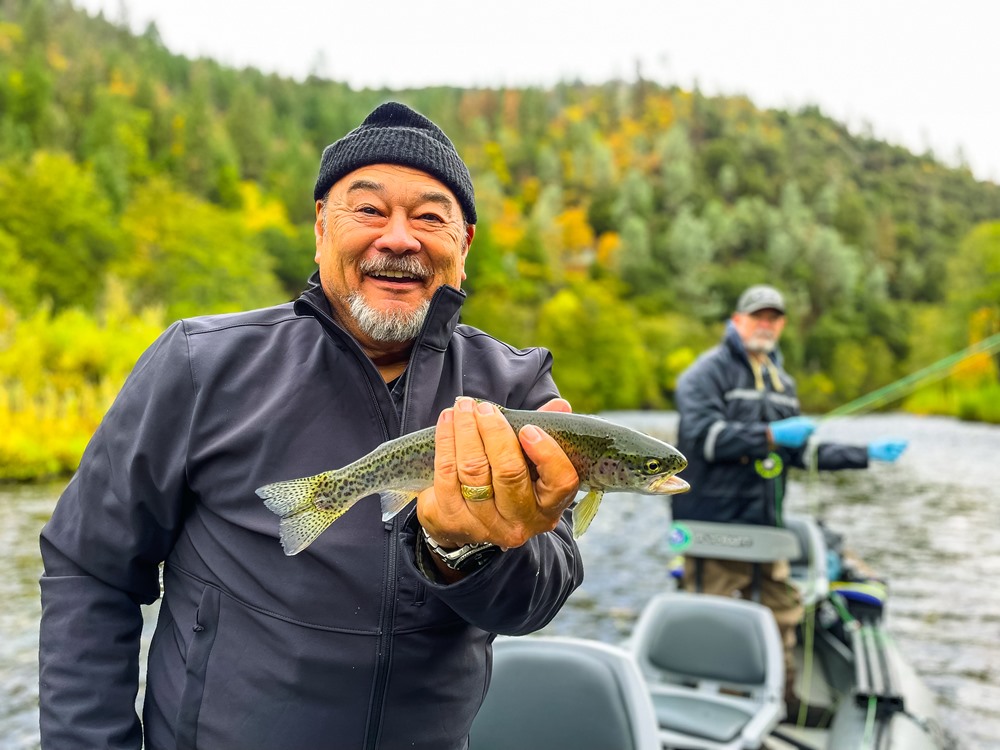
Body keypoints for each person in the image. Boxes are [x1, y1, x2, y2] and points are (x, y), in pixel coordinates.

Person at [38, 102, 585, 750]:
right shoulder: (199, 364)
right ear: (321, 227)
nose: (400, 238)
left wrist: (458, 550)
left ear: (463, 246)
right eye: (370, 210)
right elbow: (89, 569)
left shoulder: (516, 392)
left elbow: (534, 603)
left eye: (430, 217)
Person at [670, 284, 907, 720]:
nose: (766, 324)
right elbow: (701, 441)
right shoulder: (705, 374)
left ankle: (783, 700)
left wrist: (866, 454)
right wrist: (770, 436)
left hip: (766, 526)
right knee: (714, 619)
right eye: (757, 316)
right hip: (714, 526)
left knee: (782, 610)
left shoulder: (784, 383)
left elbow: (802, 453)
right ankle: (713, 703)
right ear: (736, 321)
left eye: (774, 318)